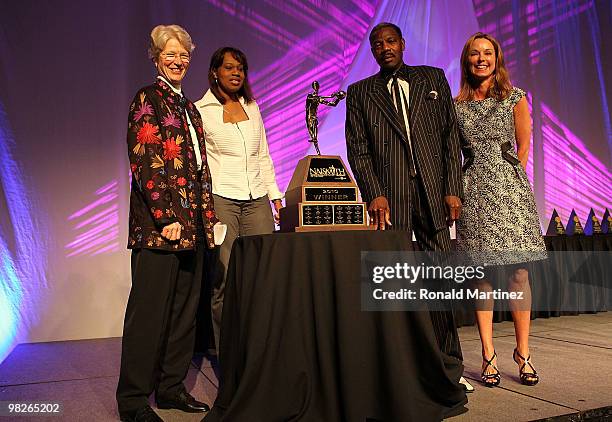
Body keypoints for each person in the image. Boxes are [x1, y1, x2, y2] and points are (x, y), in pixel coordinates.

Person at [345, 22, 471, 391]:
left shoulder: (432, 78)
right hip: (391, 196)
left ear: (402, 44)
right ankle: (404, 368)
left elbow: (450, 139)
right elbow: (359, 148)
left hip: (435, 193)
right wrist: (374, 192)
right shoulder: (361, 92)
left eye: (390, 41)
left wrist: (453, 189)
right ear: (372, 51)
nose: (384, 47)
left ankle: (450, 366)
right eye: (377, 44)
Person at [117, 25, 217, 422]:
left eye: (184, 56)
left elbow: (199, 171)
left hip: (192, 228)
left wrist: (206, 221)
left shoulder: (190, 108)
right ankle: (133, 402)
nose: (179, 61)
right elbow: (144, 164)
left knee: (183, 314)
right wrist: (166, 217)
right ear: (157, 58)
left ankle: (172, 389)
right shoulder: (148, 99)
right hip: (160, 230)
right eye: (170, 54)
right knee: (148, 316)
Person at [455, 32, 547, 387]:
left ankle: (523, 353)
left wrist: (506, 182)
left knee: (519, 274)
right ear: (467, 60)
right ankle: (488, 354)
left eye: (488, 53)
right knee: (483, 276)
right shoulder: (456, 105)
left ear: (497, 58)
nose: (482, 59)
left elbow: (523, 149)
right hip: (473, 191)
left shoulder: (516, 98)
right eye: (475, 53)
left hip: (509, 191)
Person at [195, 47, 283, 352]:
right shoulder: (201, 110)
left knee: (262, 276)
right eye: (229, 67)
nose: (236, 73)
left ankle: (260, 353)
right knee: (224, 279)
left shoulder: (252, 106)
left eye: (241, 68)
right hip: (222, 199)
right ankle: (228, 356)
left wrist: (276, 196)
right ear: (214, 72)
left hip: (257, 198)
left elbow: (263, 155)